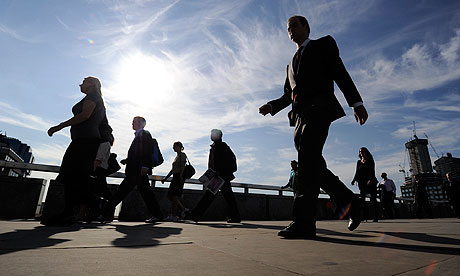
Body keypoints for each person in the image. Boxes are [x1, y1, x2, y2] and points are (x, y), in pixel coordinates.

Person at [259, 15, 368, 238]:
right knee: (311, 165)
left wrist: (356, 103)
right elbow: (289, 94)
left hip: (319, 110)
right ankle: (350, 203)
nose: (291, 31)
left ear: (307, 27)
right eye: (288, 29)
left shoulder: (323, 45)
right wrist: (272, 106)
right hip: (299, 118)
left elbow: (340, 72)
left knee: (308, 163)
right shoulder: (290, 64)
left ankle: (304, 223)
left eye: (295, 26)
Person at [43, 76, 107, 226]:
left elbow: (85, 115)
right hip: (85, 141)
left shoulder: (93, 96)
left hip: (85, 141)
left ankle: (76, 210)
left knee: (70, 174)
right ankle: (79, 209)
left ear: (92, 84)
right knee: (76, 177)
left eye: (85, 81)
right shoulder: (96, 98)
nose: (81, 82)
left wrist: (60, 126)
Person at [102, 116, 164, 223]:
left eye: (135, 122)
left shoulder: (145, 134)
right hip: (136, 170)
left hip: (137, 171)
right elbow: (138, 153)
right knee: (145, 193)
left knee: (122, 192)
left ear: (141, 124)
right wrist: (127, 160)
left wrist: (145, 166)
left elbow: (147, 151)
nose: (132, 123)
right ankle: (158, 215)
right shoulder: (139, 135)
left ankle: (105, 214)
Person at [185, 129, 241, 223]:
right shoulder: (215, 147)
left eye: (213, 134)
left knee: (209, 196)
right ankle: (236, 216)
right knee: (227, 197)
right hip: (219, 176)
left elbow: (225, 162)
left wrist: (219, 171)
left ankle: (195, 215)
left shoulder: (222, 147)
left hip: (221, 176)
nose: (211, 136)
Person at [161, 141, 188, 222]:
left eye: (174, 146)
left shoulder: (182, 155)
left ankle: (174, 215)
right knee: (171, 196)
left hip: (178, 177)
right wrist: (166, 178)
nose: (173, 148)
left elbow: (182, 166)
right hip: (175, 177)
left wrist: (180, 176)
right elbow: (173, 170)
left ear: (179, 146)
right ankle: (183, 210)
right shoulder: (177, 157)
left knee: (173, 196)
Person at [351, 147, 379, 222]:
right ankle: (363, 216)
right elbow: (357, 172)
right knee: (362, 199)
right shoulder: (359, 162)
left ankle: (376, 216)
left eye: (363, 151)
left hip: (371, 182)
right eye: (360, 151)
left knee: (373, 199)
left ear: (366, 152)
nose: (361, 153)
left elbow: (372, 171)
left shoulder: (370, 161)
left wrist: (370, 179)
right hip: (361, 182)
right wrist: (354, 180)